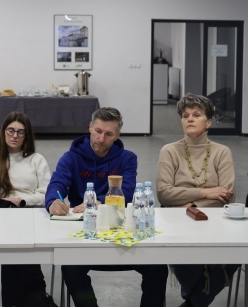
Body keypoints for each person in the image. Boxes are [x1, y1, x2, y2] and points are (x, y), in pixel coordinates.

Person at [45, 107, 168, 307]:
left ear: (117, 135)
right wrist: (52, 201)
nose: (101, 139)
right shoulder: (71, 158)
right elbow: (57, 183)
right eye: (98, 131)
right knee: (70, 266)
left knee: (158, 266)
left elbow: (127, 190)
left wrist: (99, 202)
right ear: (90, 127)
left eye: (109, 134)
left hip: (120, 229)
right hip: (84, 231)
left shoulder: (127, 158)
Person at [156, 93, 238, 307]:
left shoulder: (222, 152)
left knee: (235, 254)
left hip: (215, 222)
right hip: (178, 223)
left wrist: (186, 203)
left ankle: (192, 303)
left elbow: (226, 194)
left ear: (208, 122)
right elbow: (163, 193)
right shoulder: (170, 151)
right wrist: (206, 193)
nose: (190, 119)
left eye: (196, 115)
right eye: (185, 116)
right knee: (185, 256)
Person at [0, 112, 55, 307]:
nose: (15, 135)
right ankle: (37, 295)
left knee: (17, 248)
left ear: (27, 135)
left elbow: (46, 195)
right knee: (14, 246)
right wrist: (5, 203)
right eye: (11, 130)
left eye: (20, 132)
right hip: (2, 217)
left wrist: (21, 201)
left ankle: (20, 299)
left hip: (30, 215)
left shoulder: (36, 160)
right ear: (4, 132)